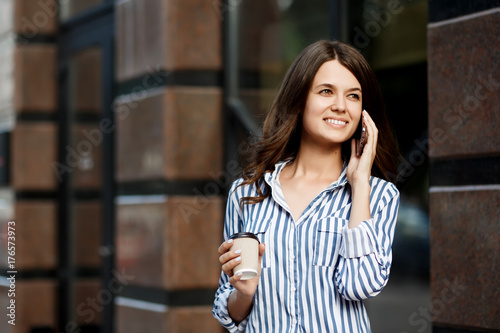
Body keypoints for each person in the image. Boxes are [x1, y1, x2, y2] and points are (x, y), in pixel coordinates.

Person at [213, 40, 400, 332]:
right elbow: (230, 311)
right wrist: (244, 293)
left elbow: (359, 285)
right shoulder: (246, 192)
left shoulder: (379, 196)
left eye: (353, 96)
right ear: (299, 100)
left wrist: (359, 183)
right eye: (326, 91)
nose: (340, 106)